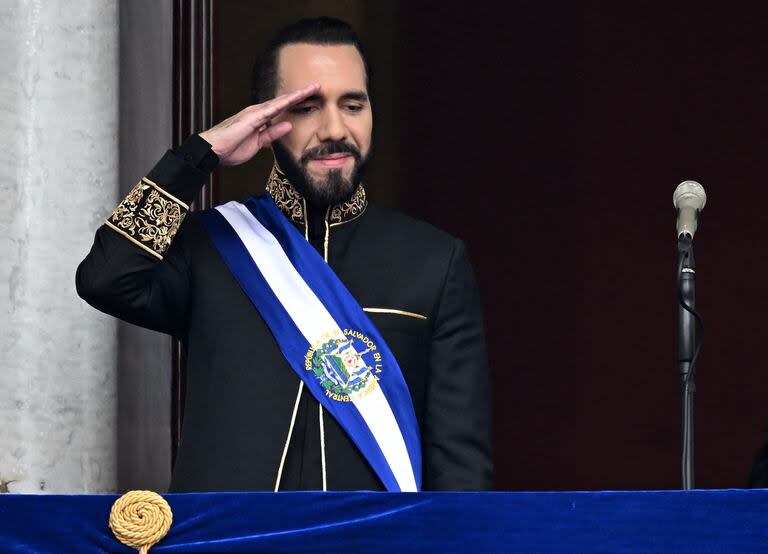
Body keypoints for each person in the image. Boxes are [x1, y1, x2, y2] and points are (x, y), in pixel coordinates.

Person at [76, 17, 492, 492]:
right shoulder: (210, 246)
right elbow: (104, 277)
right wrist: (198, 157)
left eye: (352, 104)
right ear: (267, 119)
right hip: (227, 543)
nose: (335, 128)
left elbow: (461, 469)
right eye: (308, 107)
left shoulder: (434, 260)